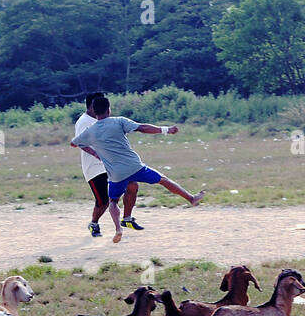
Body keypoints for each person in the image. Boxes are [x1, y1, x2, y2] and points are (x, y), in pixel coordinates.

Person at [69, 95, 204, 243]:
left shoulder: (91, 131)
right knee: (163, 180)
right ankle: (191, 198)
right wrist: (166, 129)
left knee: (113, 201)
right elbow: (142, 128)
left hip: (115, 174)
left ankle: (119, 228)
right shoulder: (119, 121)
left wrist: (95, 150)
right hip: (134, 167)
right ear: (109, 109)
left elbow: (74, 143)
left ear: (94, 111)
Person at [72, 93, 110, 238]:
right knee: (102, 201)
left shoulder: (101, 119)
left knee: (120, 191)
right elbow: (79, 142)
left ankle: (125, 220)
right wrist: (96, 154)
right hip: (94, 168)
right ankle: (94, 223)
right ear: (91, 105)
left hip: (107, 165)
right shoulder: (84, 122)